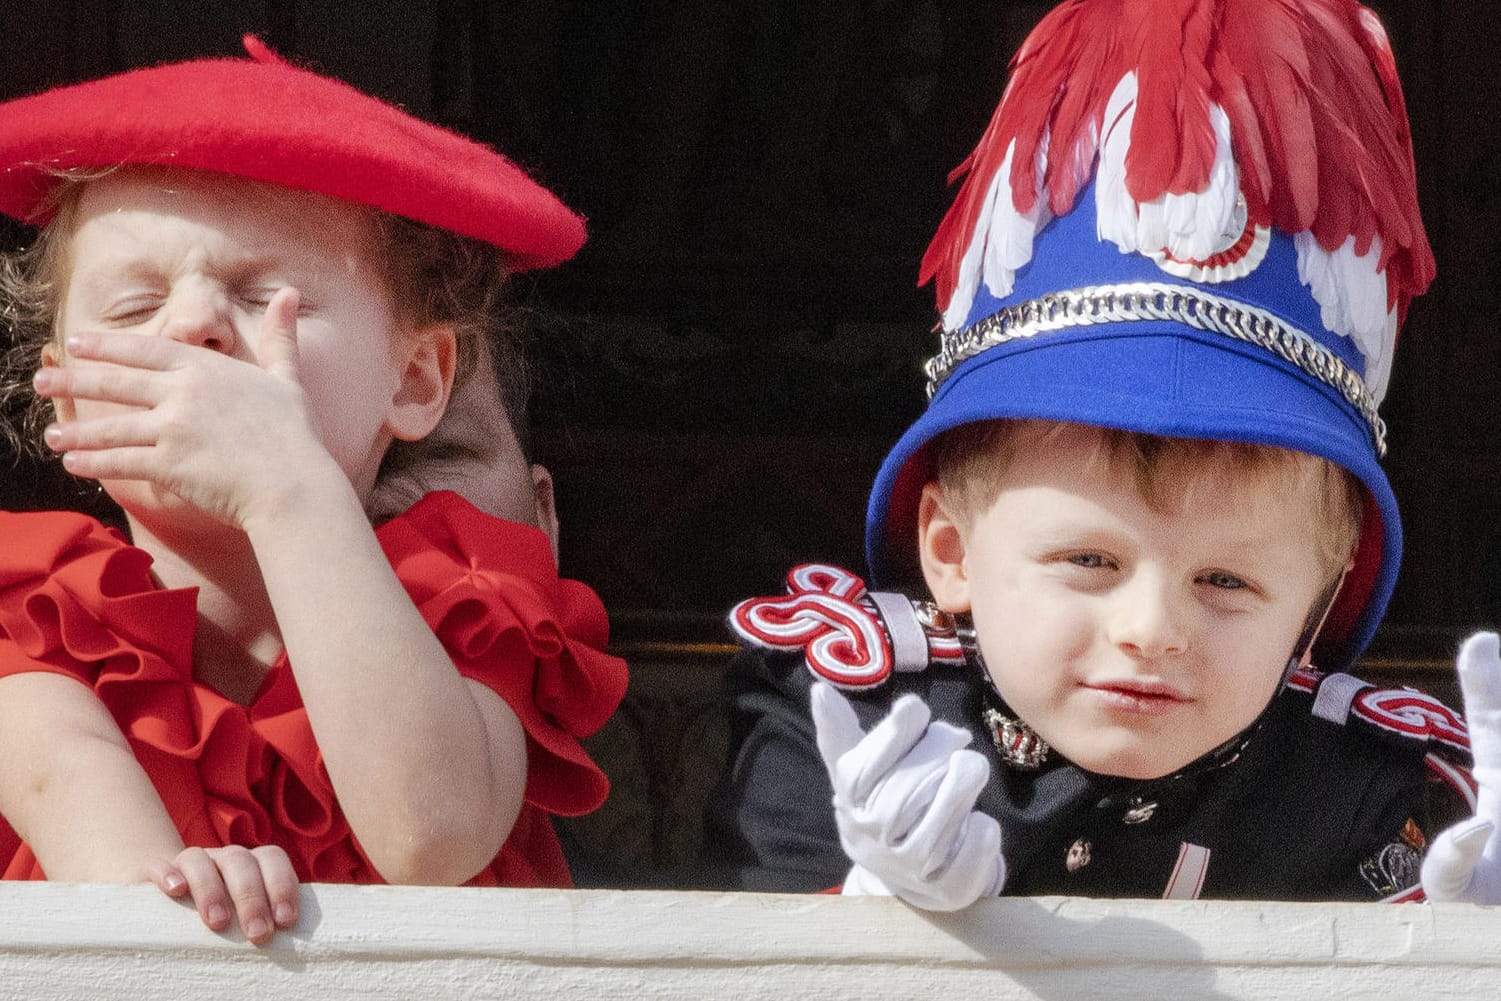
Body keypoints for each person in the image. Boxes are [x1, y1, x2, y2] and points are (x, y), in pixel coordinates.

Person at [701, 0, 1496, 906]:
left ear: (1317, 599)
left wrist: (1463, 957)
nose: (1152, 628)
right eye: (1088, 559)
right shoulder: (843, 725)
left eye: (1226, 582)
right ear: (951, 553)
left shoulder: (1370, 795)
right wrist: (874, 918)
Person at [0, 38, 627, 944]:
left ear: (416, 378)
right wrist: (184, 892)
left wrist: (289, 486)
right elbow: (122, 907)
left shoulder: (472, 591)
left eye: (265, 298)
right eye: (134, 309)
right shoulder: (29, 608)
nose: (197, 327)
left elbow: (432, 836)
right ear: (61, 387)